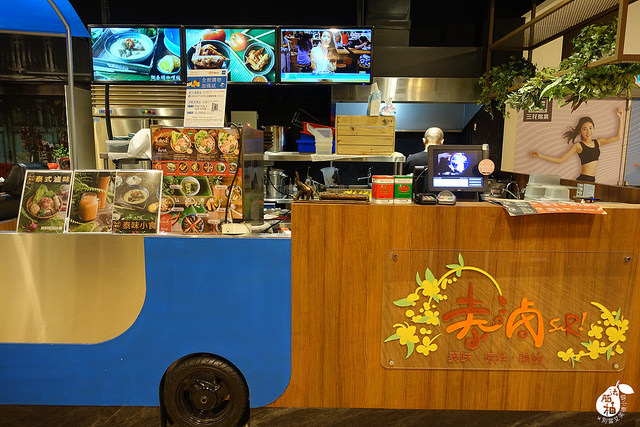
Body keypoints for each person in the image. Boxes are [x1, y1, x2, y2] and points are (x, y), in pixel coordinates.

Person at [529, 108, 624, 182]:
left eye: (590, 128)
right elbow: (560, 160)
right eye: (585, 129)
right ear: (580, 131)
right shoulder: (578, 146)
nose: (588, 132)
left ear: (594, 128)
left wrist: (620, 118)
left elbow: (618, 137)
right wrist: (540, 155)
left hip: (592, 180)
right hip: (584, 179)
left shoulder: (598, 142)